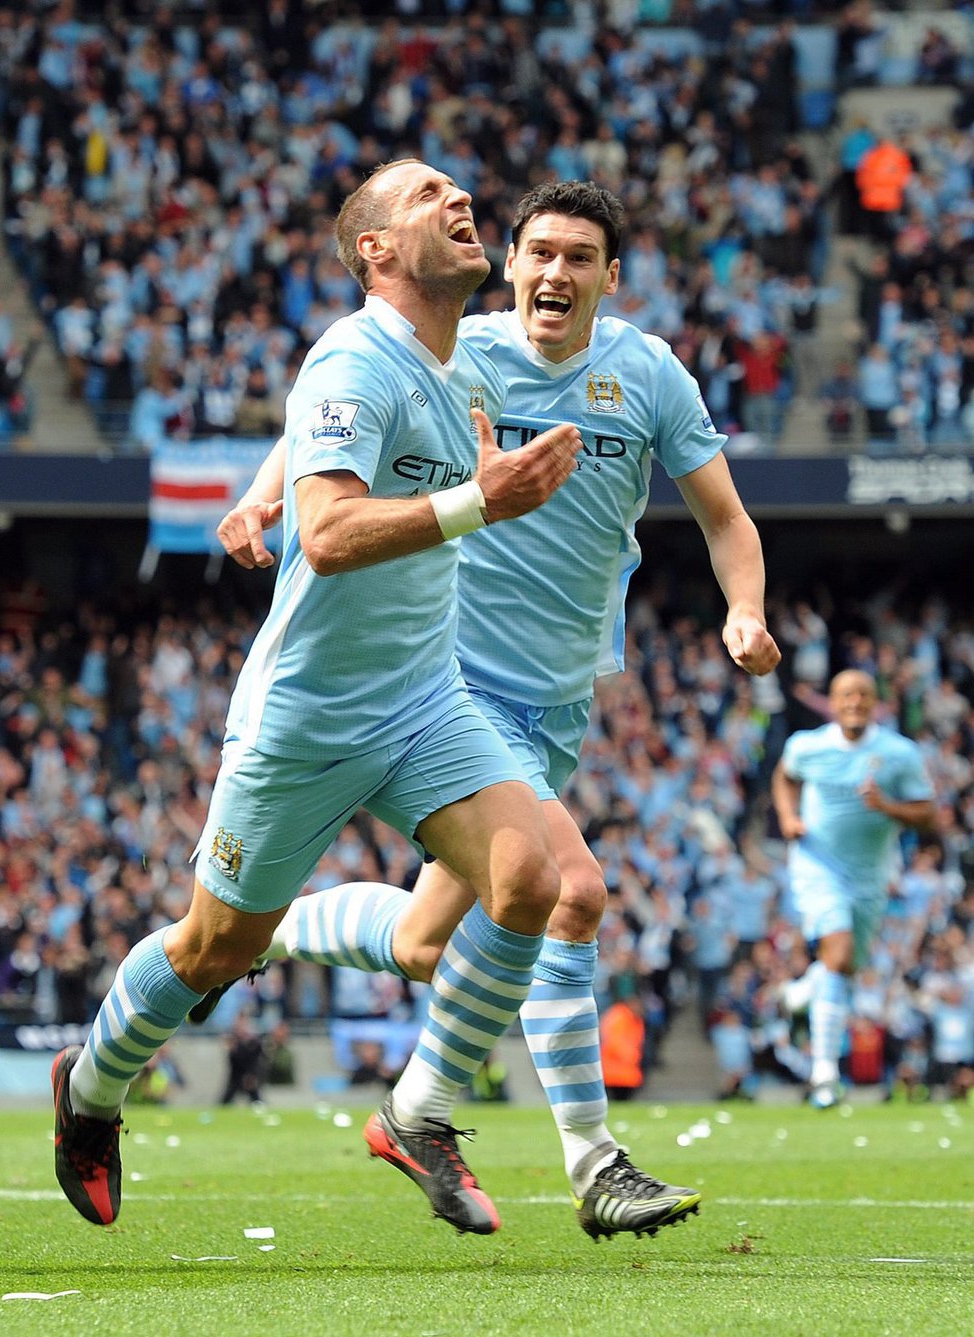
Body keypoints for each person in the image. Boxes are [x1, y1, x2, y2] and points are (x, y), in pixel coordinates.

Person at [202, 180, 781, 1241]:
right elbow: (330, 414)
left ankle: (261, 936)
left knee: (429, 943)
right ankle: (581, 1157)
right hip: (451, 680)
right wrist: (264, 493)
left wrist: (744, 609)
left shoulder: (648, 375)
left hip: (558, 698)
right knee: (569, 891)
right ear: (512, 262)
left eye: (579, 257)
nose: (554, 273)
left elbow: (727, 517)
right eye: (539, 252)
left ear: (612, 276)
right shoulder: (455, 348)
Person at [50, 159, 583, 1236]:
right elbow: (330, 534)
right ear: (376, 249)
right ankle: (91, 1089)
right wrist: (479, 500)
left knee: (532, 878)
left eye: (459, 190)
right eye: (428, 195)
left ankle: (420, 1109)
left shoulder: (458, 364)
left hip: (426, 701)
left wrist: (258, 487)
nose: (459, 199)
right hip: (311, 715)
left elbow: (310, 448)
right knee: (215, 949)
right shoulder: (353, 354)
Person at [771, 669, 937, 1108]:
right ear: (833, 701)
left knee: (843, 969)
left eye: (863, 694)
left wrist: (887, 806)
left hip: (872, 877)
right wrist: (789, 818)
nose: (855, 702)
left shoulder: (899, 754)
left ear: (875, 701)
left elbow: (927, 813)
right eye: (846, 694)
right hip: (817, 865)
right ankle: (824, 1073)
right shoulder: (808, 746)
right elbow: (785, 778)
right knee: (838, 953)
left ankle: (799, 994)